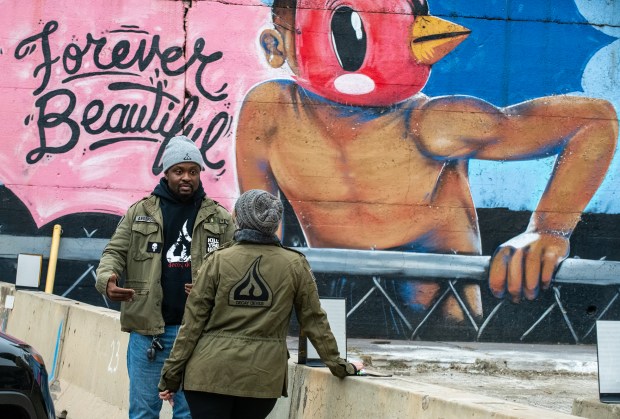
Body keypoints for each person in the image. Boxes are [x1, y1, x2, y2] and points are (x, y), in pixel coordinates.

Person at [235, 0, 618, 333]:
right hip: (331, 298)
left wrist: (548, 230)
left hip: (438, 309)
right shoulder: (271, 113)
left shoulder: (431, 125)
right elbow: (258, 229)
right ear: (276, 46)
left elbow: (594, 121)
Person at [158, 189, 359, 419]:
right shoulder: (295, 264)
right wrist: (339, 366)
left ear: (239, 219)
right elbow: (315, 321)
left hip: (208, 375)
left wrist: (170, 376)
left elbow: (191, 325)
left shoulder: (217, 261)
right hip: (262, 379)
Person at [95, 135, 235, 419]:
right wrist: (107, 280)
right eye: (179, 171)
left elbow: (237, 267)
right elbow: (114, 252)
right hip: (149, 333)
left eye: (193, 171)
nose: (187, 177)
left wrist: (214, 288)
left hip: (198, 333)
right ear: (166, 173)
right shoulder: (140, 212)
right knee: (144, 412)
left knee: (189, 413)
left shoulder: (220, 219)